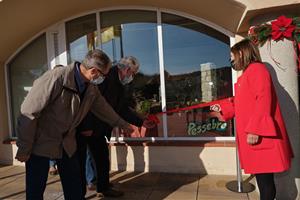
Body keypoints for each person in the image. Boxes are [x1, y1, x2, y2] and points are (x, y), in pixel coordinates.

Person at [15, 49, 133, 200]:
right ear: (94, 72)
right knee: (35, 190)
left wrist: (122, 124)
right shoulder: (57, 78)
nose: (105, 78)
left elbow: (103, 108)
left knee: (75, 188)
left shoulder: (90, 88)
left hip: (67, 143)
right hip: (41, 143)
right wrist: (24, 147)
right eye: (105, 75)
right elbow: (28, 113)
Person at [210, 39, 293, 200]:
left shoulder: (256, 69)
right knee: (263, 180)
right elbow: (243, 103)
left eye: (232, 57)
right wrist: (223, 109)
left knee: (265, 182)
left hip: (261, 137)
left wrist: (255, 129)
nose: (231, 61)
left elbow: (263, 99)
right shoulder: (249, 73)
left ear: (241, 53)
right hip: (257, 137)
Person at [77, 56, 155, 198]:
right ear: (125, 69)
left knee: (100, 157)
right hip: (92, 126)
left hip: (100, 126)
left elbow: (121, 108)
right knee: (97, 158)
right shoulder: (105, 78)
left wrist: (140, 122)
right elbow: (88, 103)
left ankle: (102, 185)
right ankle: (99, 186)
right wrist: (87, 126)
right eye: (133, 72)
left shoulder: (118, 82)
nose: (133, 76)